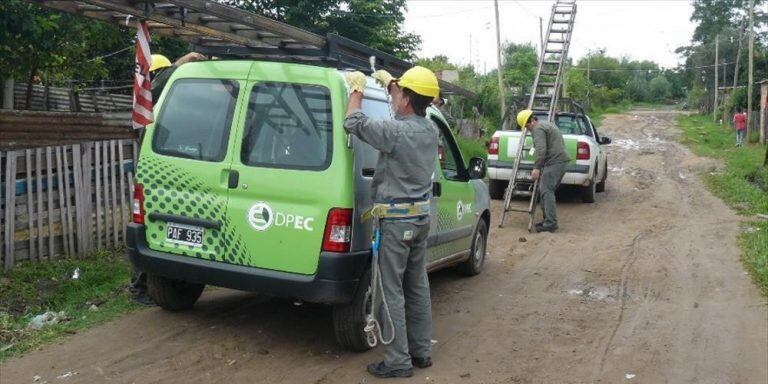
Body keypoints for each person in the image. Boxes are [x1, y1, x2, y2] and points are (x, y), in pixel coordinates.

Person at [343, 67, 440, 379]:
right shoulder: (429, 129)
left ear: (408, 100)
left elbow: (353, 122)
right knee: (417, 286)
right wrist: (393, 85)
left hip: (396, 223)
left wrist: (356, 91)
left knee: (390, 292)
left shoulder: (395, 133)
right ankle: (420, 351)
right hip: (420, 219)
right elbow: (405, 114)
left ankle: (398, 361)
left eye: (401, 94)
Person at [129, 52, 206, 306]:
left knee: (151, 226)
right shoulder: (150, 96)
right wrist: (180, 64)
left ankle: (148, 285)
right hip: (153, 172)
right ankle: (140, 288)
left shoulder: (163, 104)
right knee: (147, 226)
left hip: (156, 170)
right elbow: (161, 83)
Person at [517, 110, 570, 233]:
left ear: (529, 123)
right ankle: (547, 220)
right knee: (545, 190)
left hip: (555, 162)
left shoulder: (537, 129)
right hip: (559, 161)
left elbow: (541, 150)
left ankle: (551, 223)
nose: (527, 130)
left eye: (526, 127)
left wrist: (536, 168)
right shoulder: (546, 124)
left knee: (546, 190)